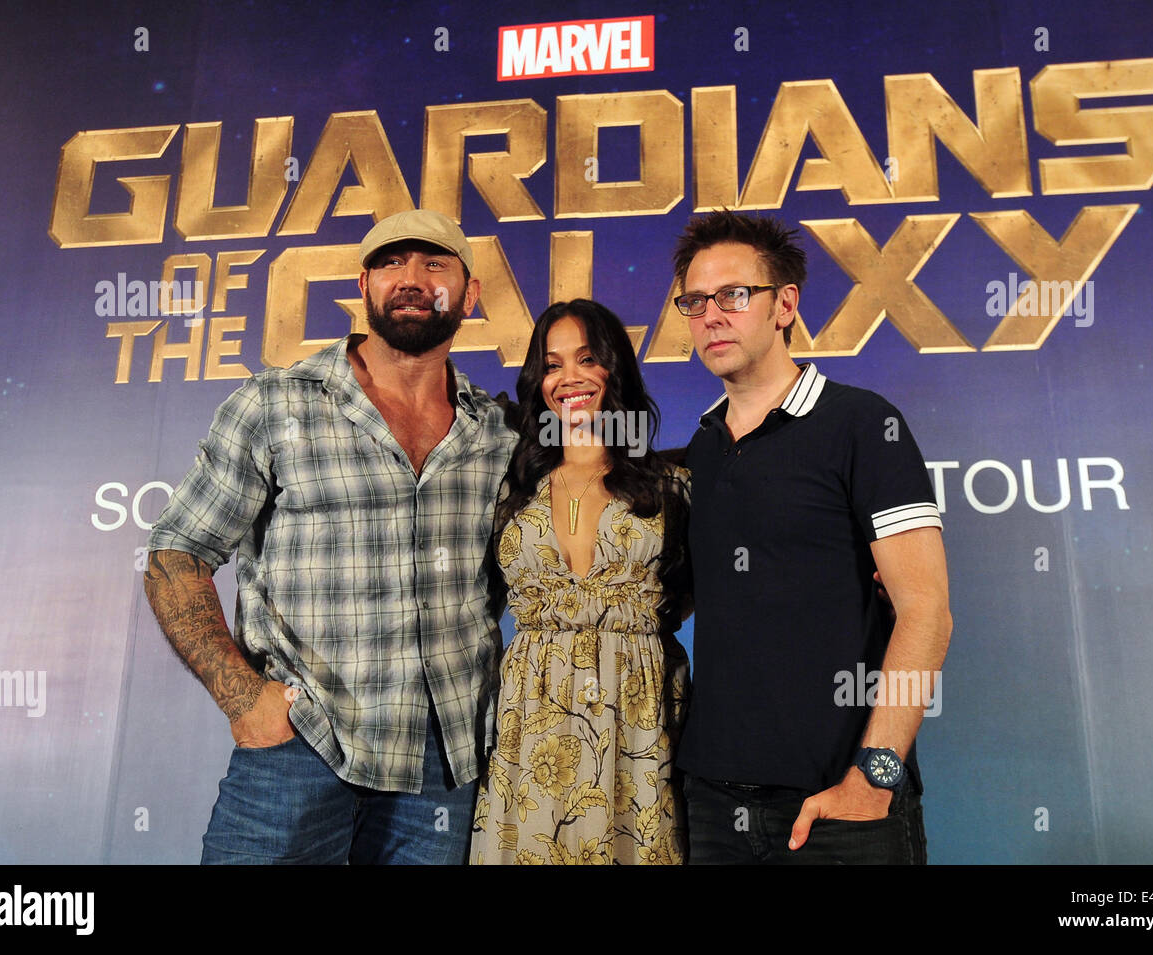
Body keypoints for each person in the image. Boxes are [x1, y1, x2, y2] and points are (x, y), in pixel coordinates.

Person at [143, 209, 517, 864]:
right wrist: (245, 697)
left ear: (471, 292)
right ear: (364, 284)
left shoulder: (496, 432)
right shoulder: (275, 404)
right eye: (392, 262)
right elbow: (177, 554)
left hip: (445, 764)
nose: (412, 276)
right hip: (301, 746)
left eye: (434, 263)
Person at [672, 210, 952, 865]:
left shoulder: (862, 425)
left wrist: (874, 775)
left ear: (784, 305)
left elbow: (927, 612)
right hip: (714, 806)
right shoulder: (700, 454)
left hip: (840, 804)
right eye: (694, 300)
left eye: (734, 295)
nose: (711, 314)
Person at [470, 299, 691, 865]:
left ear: (614, 369)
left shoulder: (674, 486)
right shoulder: (508, 486)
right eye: (551, 364)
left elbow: (705, 591)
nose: (568, 378)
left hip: (636, 724)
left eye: (587, 359)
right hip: (530, 723)